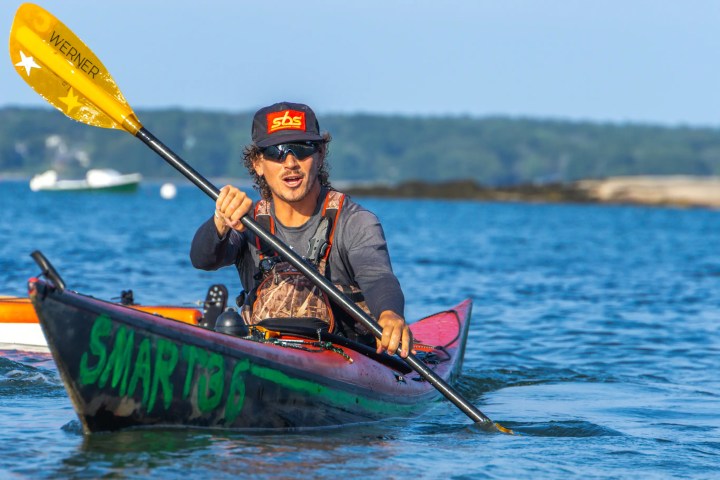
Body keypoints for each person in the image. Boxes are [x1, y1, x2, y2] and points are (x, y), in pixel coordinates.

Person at [190, 102, 414, 357]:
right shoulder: (246, 221)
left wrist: (390, 314)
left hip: (344, 360)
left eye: (302, 149)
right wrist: (220, 220)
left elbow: (377, 277)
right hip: (262, 355)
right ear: (258, 163)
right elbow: (203, 259)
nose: (290, 162)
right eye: (276, 151)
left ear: (319, 156)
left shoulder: (356, 222)